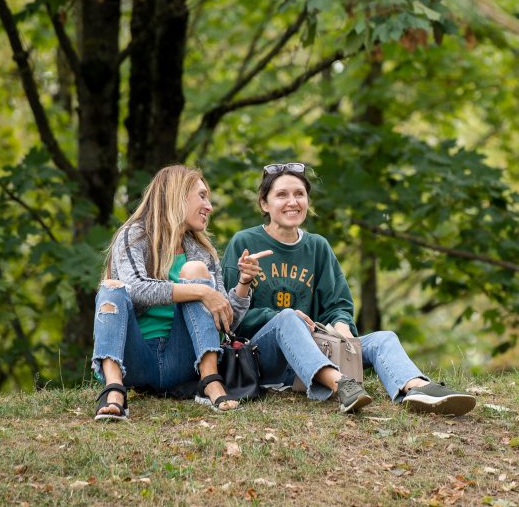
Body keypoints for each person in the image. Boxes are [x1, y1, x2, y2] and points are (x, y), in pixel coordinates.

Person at [222, 162, 476, 416]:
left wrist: (343, 327)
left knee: (382, 339)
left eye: (299, 194)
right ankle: (341, 384)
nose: (293, 201)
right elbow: (229, 318)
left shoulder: (318, 247)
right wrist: (278, 317)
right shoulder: (245, 243)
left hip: (316, 348)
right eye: (281, 195)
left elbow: (338, 305)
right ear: (264, 204)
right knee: (288, 316)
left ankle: (417, 388)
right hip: (264, 359)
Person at [91, 165, 269, 420]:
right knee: (111, 288)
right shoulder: (134, 236)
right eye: (202, 196)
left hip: (184, 359)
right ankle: (114, 390)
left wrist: (243, 284)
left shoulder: (202, 252)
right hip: (136, 358)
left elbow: (224, 321)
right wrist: (199, 291)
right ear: (177, 195)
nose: (209, 206)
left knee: (195, 270)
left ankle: (210, 381)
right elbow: (136, 289)